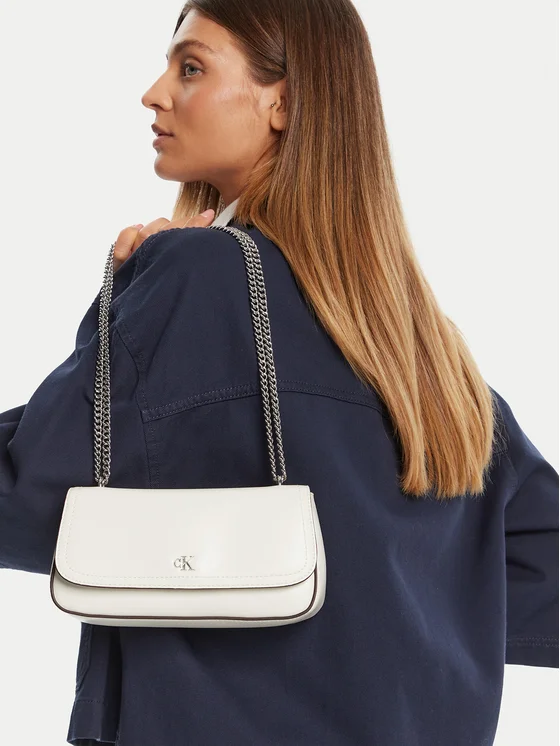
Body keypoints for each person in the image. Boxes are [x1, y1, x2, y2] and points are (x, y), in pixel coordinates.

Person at [1, 1, 558, 745]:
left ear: (285, 104)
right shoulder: (427, 357)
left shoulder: (197, 280)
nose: (154, 94)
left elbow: (28, 495)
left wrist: (123, 305)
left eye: (190, 68)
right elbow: (544, 581)